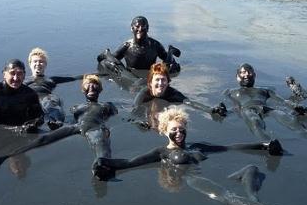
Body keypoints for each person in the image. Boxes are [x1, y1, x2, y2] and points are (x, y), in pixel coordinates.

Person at [0, 74, 118, 180]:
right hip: (76, 126)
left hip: (96, 128)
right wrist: (59, 124)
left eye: (95, 86)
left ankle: (103, 166)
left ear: (100, 89)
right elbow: (69, 121)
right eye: (89, 86)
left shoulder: (108, 105)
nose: (92, 88)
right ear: (83, 90)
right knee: (42, 139)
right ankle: (0, 159)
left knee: (100, 142)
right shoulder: (76, 107)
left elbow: (119, 114)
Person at [93, 107, 283, 180]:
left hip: (215, 177)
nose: (178, 132)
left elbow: (229, 147)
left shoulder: (197, 146)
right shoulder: (161, 152)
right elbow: (131, 163)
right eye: (173, 129)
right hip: (193, 182)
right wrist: (104, 163)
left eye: (181, 127)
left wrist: (263, 145)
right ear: (164, 131)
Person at [222, 63, 307, 140]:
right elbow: (229, 104)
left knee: (290, 120)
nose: (247, 74)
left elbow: (281, 101)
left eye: (249, 71)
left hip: (268, 108)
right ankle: (268, 142)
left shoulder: (265, 90)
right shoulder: (230, 91)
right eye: (243, 72)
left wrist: (293, 105)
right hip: (248, 109)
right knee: (254, 121)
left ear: (254, 75)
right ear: (237, 76)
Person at [133, 62, 227, 115]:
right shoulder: (144, 93)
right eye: (157, 80)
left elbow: (190, 103)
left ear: (168, 81)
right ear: (150, 82)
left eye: (163, 80)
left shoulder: (172, 93)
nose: (161, 83)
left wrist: (211, 110)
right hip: (136, 84)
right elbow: (135, 109)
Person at [25, 47, 83, 129]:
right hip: (30, 97)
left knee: (51, 104)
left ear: (45, 64)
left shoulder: (51, 79)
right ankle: (33, 124)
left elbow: (74, 78)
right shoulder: (22, 79)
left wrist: (99, 74)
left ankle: (57, 122)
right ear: (30, 64)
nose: (38, 64)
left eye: (41, 62)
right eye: (35, 61)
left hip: (46, 96)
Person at [98, 16, 181, 73]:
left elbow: (166, 59)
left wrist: (172, 63)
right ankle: (106, 53)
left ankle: (171, 50)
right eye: (137, 26)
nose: (140, 29)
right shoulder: (127, 46)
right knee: (113, 63)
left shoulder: (155, 45)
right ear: (132, 28)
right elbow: (114, 60)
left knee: (169, 67)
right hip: (131, 73)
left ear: (147, 28)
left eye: (143, 26)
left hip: (149, 72)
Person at [0, 59, 43, 130]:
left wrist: (36, 122)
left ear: (24, 75)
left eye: (19, 73)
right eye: (12, 73)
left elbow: (38, 116)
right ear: (4, 74)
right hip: (0, 132)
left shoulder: (30, 94)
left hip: (23, 128)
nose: (16, 78)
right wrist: (18, 129)